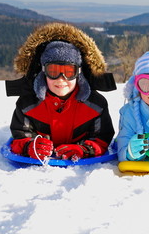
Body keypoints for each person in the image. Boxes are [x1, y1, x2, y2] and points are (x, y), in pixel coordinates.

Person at [8, 22, 115, 162]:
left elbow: (102, 138)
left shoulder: (96, 104)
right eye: (53, 71)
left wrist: (84, 149)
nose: (61, 79)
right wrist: (30, 146)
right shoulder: (27, 104)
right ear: (43, 72)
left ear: (79, 73)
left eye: (69, 72)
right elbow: (20, 136)